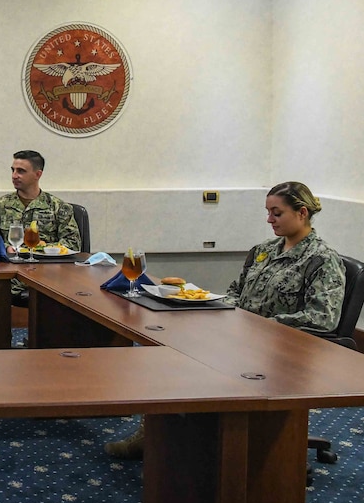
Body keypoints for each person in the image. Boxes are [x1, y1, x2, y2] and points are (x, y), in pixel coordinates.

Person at [105, 181, 346, 459]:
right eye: (268, 212)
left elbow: (322, 318)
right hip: (239, 338)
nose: (269, 220)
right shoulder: (263, 250)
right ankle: (158, 437)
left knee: (193, 366)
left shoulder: (322, 259)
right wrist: (210, 307)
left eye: (277, 213)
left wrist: (263, 328)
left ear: (302, 213)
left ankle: (196, 447)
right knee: (172, 353)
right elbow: (236, 291)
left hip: (281, 351)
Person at [0, 150, 81, 304]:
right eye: (13, 170)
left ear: (38, 174)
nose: (14, 175)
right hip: (11, 275)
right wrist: (7, 247)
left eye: (21, 171)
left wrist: (40, 248)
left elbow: (72, 244)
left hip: (49, 276)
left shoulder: (58, 207)